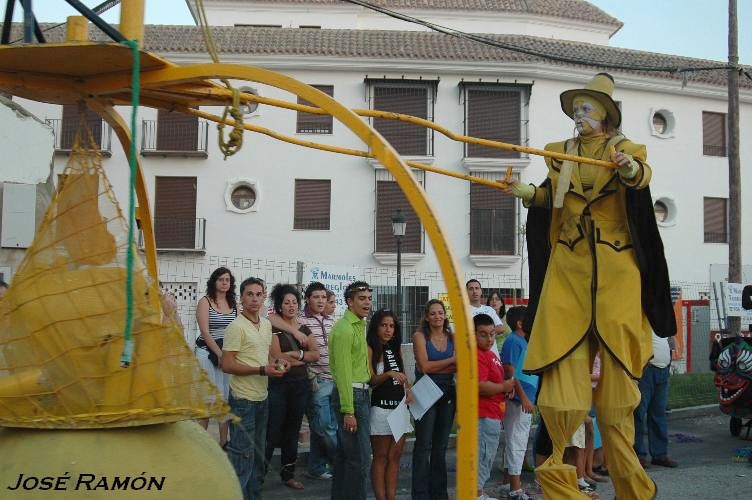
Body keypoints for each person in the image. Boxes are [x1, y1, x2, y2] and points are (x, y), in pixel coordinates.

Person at [504, 72, 675, 499]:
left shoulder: (624, 150)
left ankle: (632, 487)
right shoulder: (561, 155)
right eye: (576, 109)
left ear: (605, 116)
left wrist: (629, 167)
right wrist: (521, 189)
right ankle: (561, 483)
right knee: (561, 397)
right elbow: (550, 198)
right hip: (569, 271)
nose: (579, 116)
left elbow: (641, 175)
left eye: (587, 109)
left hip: (616, 275)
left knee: (617, 403)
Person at [221, 277, 289, 500]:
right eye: (250, 294)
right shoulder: (236, 327)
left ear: (264, 297)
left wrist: (279, 362)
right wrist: (261, 370)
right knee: (242, 456)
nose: (254, 299)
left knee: (258, 456)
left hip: (262, 398)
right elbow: (227, 364)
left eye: (259, 294)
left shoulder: (267, 324)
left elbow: (267, 355)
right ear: (241, 298)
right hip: (243, 400)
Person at [265, 283, 320, 490]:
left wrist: (295, 355)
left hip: (300, 385)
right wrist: (303, 358)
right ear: (279, 306)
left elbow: (316, 354)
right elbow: (277, 357)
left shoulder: (305, 329)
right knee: (273, 430)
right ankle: (259, 475)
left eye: (294, 302)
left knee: (293, 429)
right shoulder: (274, 328)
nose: (291, 306)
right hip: (279, 384)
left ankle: (288, 474)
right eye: (286, 302)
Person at [329, 281, 373, 500]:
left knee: (347, 458)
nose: (367, 302)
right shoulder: (345, 329)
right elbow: (344, 373)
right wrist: (349, 410)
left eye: (368, 298)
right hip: (352, 397)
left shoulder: (359, 324)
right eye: (361, 298)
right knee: (360, 460)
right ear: (349, 301)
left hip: (361, 394)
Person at [411, 299, 456, 500]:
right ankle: (420, 494)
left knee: (441, 447)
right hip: (425, 392)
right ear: (427, 317)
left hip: (447, 393)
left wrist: (440, 366)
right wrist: (452, 361)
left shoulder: (452, 337)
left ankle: (439, 494)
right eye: (433, 313)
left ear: (445, 315)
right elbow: (424, 367)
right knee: (423, 445)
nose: (437, 316)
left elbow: (458, 367)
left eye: (440, 313)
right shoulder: (420, 336)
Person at [367, 309, 411, 500]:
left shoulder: (396, 347)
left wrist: (408, 391)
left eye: (391, 326)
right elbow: (370, 380)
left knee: (395, 457)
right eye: (384, 325)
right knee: (381, 457)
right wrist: (388, 374)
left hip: (400, 407)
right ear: (376, 326)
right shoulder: (370, 347)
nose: (388, 329)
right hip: (381, 407)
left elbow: (403, 376)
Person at [498, 306, 537, 500]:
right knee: (517, 442)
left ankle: (507, 482)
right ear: (521, 323)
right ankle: (515, 488)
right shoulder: (513, 341)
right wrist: (523, 397)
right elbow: (510, 371)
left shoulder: (523, 340)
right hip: (519, 402)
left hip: (525, 399)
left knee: (515, 440)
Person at [195, 266, 237, 448]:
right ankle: (201, 442)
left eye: (227, 280)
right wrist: (220, 355)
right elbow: (205, 332)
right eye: (221, 279)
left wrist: (226, 356)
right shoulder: (205, 302)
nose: (224, 282)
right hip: (207, 352)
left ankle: (223, 441)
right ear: (214, 281)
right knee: (207, 398)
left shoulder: (233, 304)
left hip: (226, 353)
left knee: (224, 398)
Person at [300, 282, 338, 481]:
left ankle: (316, 467)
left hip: (335, 380)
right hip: (317, 381)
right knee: (325, 427)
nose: (321, 301)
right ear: (307, 299)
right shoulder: (300, 322)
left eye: (324, 297)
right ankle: (343, 462)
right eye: (316, 297)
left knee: (322, 428)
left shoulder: (332, 321)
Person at [475, 313, 515, 500]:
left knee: (487, 456)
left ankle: (479, 492)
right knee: (482, 456)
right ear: (473, 335)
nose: (490, 338)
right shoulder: (477, 355)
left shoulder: (490, 354)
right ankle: (475, 493)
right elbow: (480, 386)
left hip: (493, 414)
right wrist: (503, 387)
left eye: (492, 334)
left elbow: (496, 381)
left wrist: (505, 390)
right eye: (483, 334)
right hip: (483, 415)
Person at [634, 332, 678, 469]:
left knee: (659, 414)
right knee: (639, 414)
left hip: (662, 370)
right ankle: (638, 455)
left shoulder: (662, 323)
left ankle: (659, 455)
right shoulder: (643, 317)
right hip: (647, 370)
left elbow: (670, 343)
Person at [466, 279, 510, 357]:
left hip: (494, 355)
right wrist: (491, 332)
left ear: (481, 291)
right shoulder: (463, 311)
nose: (474, 291)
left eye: (477, 288)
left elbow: (501, 328)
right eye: (471, 289)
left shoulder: (489, 309)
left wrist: (482, 333)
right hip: (475, 356)